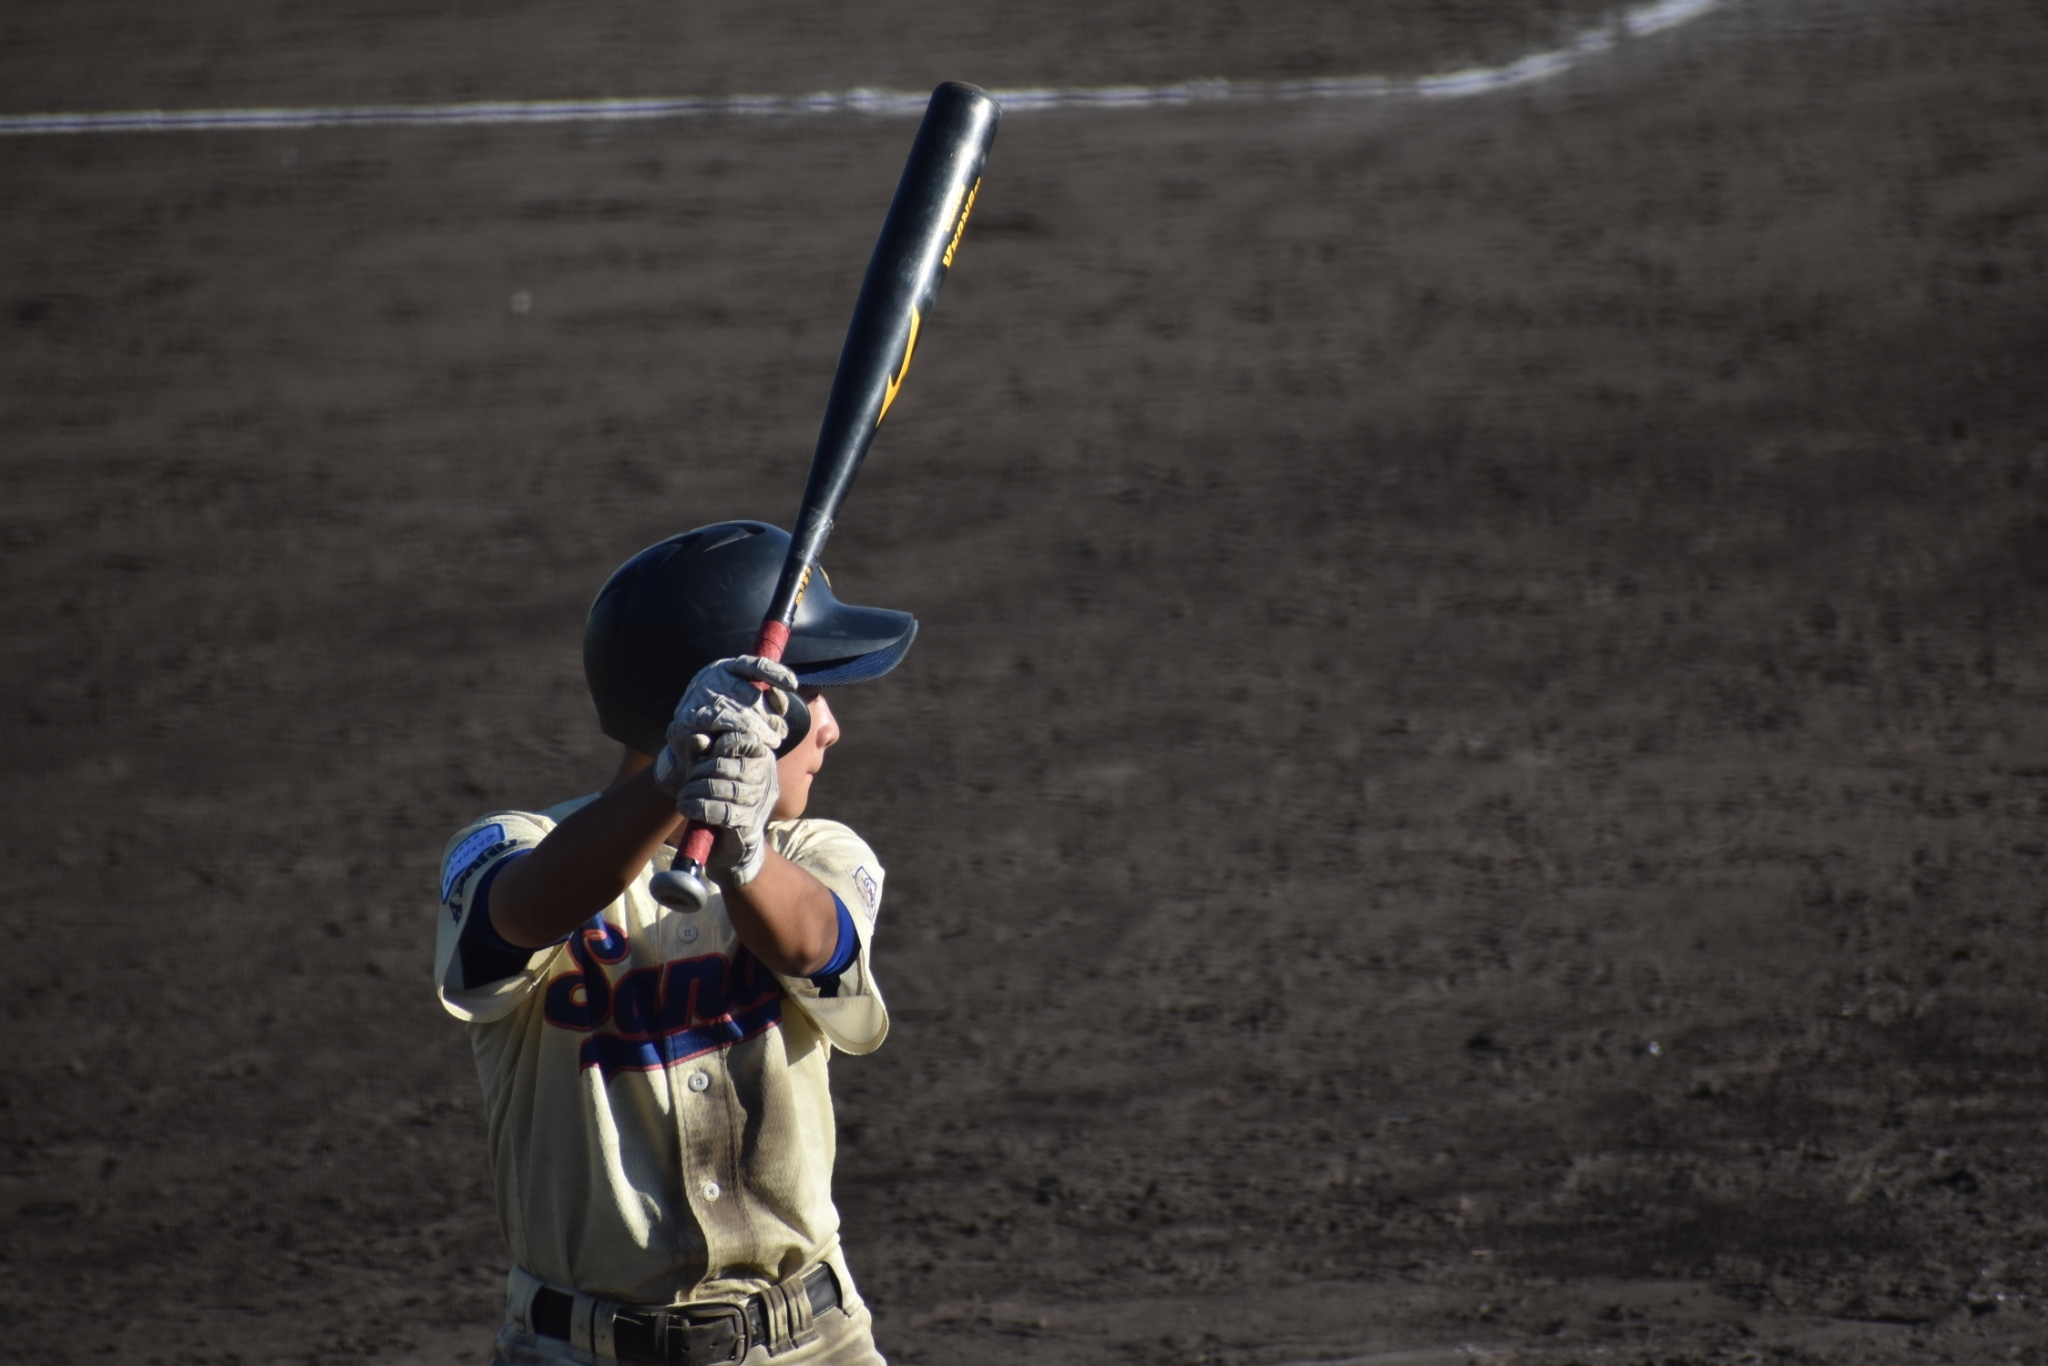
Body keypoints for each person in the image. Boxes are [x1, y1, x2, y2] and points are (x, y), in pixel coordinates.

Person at [433, 520, 917, 1365]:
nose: (832, 727)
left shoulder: (812, 852)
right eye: (811, 693)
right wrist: (673, 778)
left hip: (812, 1341)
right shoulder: (511, 846)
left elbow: (816, 945)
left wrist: (744, 854)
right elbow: (521, 915)